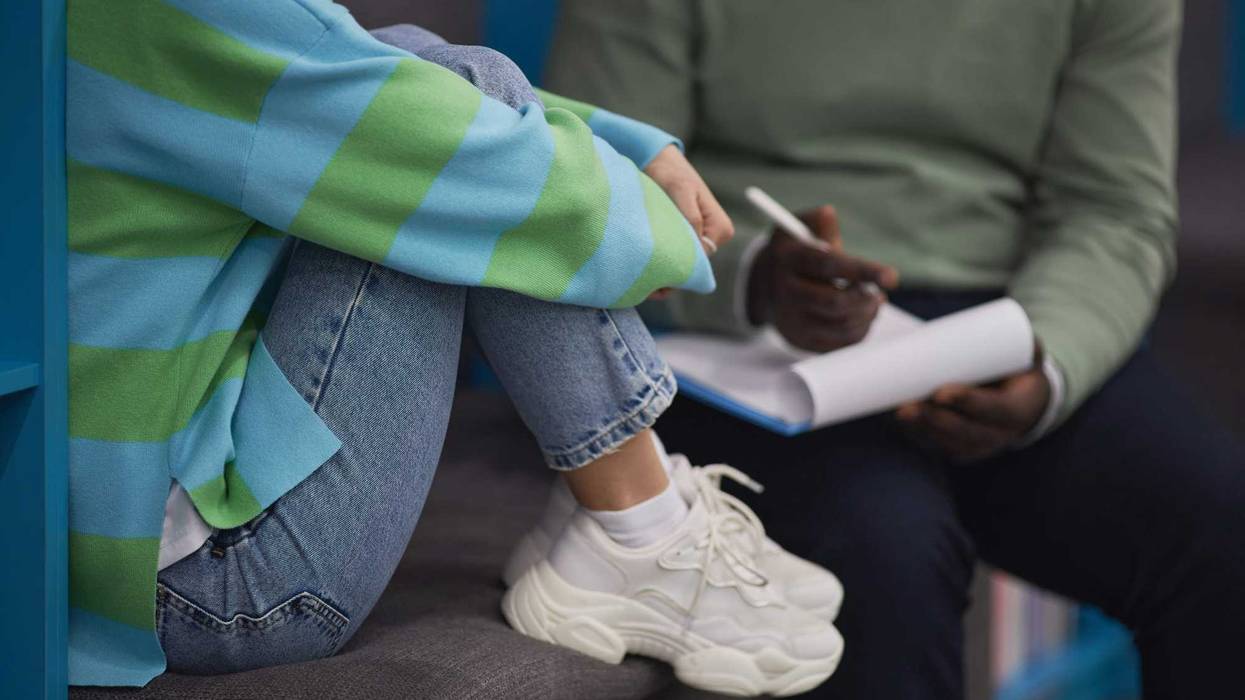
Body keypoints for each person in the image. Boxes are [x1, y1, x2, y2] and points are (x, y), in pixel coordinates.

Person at [67, 3, 843, 695]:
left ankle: (638, 525)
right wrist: (659, 234)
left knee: (451, 92)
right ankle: (642, 529)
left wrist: (624, 145)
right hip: (206, 592)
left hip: (116, 535)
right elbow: (433, 127)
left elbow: (351, 58)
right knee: (458, 123)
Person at [546, 0, 1245, 697]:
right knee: (881, 552)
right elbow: (592, 189)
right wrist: (749, 277)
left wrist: (1048, 358)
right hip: (736, 333)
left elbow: (1114, 207)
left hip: (1008, 319)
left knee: (1220, 530)